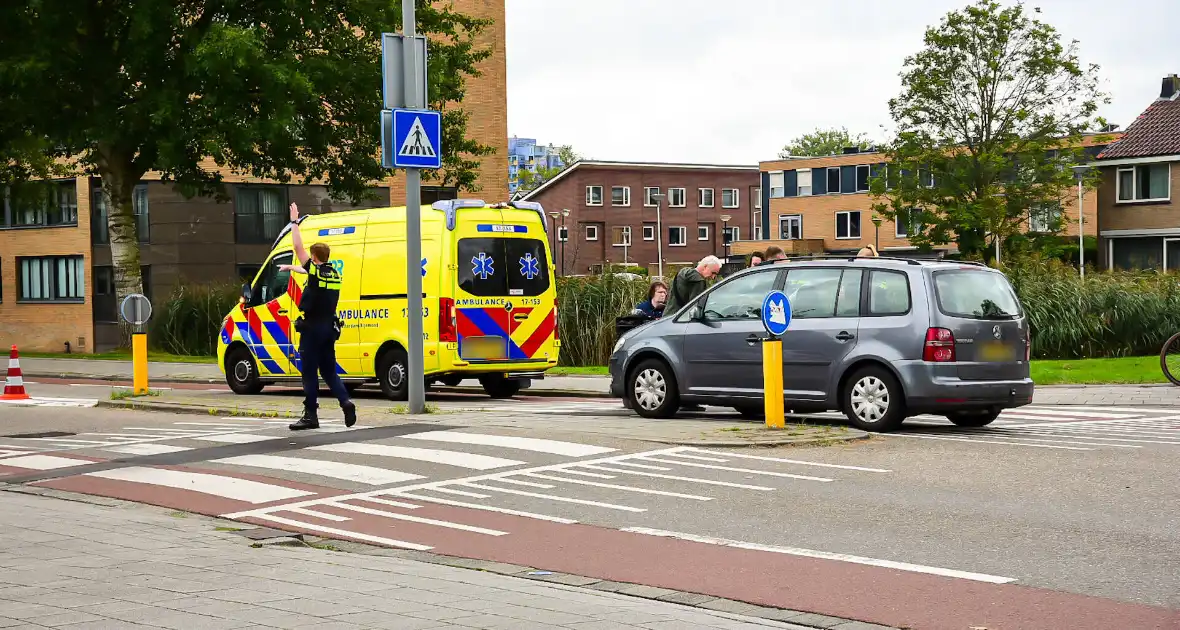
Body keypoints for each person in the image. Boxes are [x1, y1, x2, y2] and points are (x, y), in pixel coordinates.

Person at [281, 202, 357, 431]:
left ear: (314, 257)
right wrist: (293, 269)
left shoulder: (314, 270)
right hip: (328, 329)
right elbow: (311, 271)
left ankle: (310, 415)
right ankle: (345, 401)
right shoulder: (334, 274)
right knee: (329, 370)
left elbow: (297, 247)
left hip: (312, 329)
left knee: (310, 372)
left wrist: (294, 221)